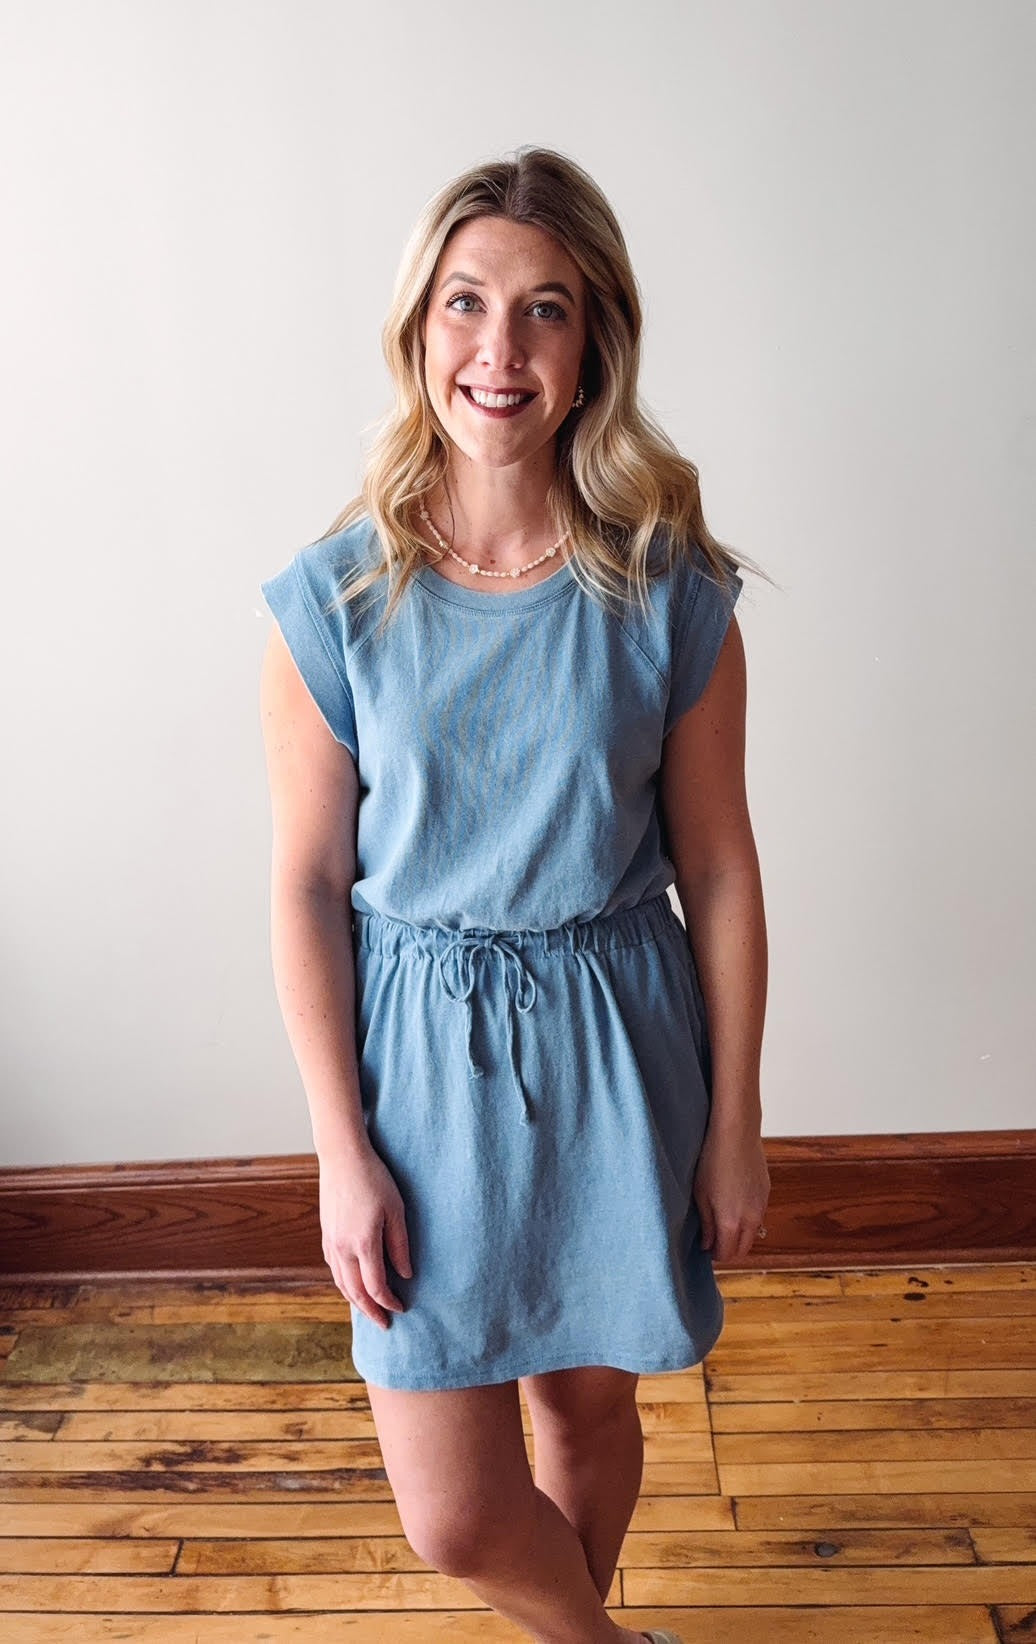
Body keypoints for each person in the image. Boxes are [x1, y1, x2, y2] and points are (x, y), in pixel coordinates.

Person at [259, 145, 770, 1644]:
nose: (501, 348)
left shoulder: (667, 592)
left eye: (547, 308)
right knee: (456, 1511)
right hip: (418, 1071)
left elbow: (721, 866)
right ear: (419, 327)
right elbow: (305, 883)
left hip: (618, 1045)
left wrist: (737, 1120)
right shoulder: (336, 599)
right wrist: (338, 1150)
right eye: (468, 302)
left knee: (585, 1408)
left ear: (594, 342)